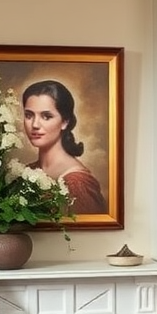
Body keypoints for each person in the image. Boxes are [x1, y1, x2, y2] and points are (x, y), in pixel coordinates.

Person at [22, 79, 106, 215]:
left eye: (46, 116)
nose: (35, 124)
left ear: (65, 122)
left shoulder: (77, 183)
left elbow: (89, 234)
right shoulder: (29, 171)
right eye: (29, 115)